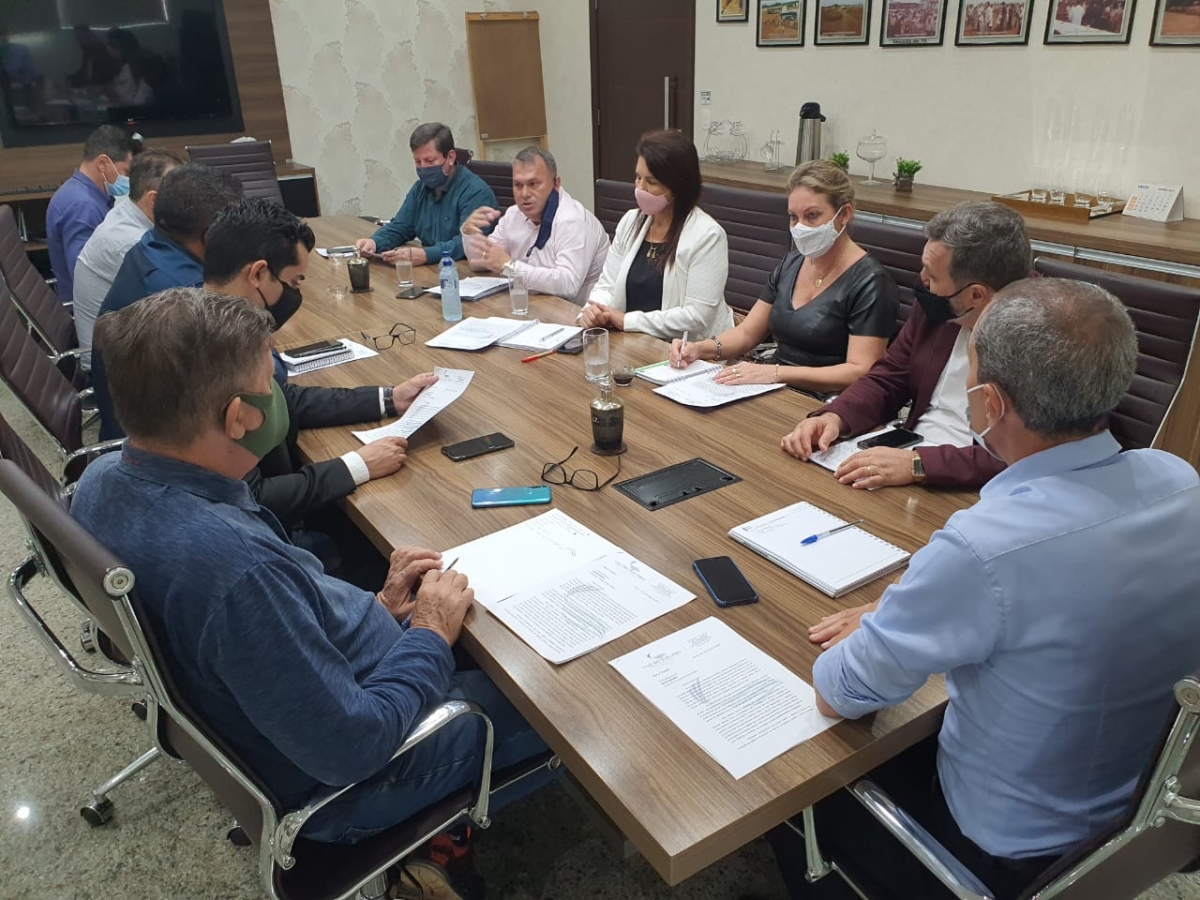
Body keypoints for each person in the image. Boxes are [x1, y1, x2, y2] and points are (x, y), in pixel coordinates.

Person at [73, 288, 549, 895]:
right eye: (269, 385)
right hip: (344, 787)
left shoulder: (101, 480)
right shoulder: (234, 570)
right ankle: (432, 840)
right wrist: (430, 632)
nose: (280, 396)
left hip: (297, 700)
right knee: (560, 705)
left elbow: (271, 634)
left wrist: (380, 609)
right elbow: (354, 748)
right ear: (237, 417)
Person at [768, 278, 1200, 900]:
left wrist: (892, 615)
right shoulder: (1180, 480)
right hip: (1134, 819)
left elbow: (841, 693)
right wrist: (914, 605)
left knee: (790, 787)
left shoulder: (983, 549)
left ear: (990, 404)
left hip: (1002, 851)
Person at [201, 198, 438, 540]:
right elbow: (248, 499)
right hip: (275, 537)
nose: (297, 294)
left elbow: (283, 400)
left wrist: (389, 398)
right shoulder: (209, 357)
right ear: (258, 274)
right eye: (294, 282)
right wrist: (356, 466)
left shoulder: (218, 325)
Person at [781, 200, 1031, 490]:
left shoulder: (1044, 335)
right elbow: (890, 375)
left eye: (932, 276)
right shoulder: (939, 306)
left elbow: (1024, 455)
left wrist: (919, 465)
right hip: (908, 452)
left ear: (976, 295)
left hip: (975, 485)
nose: (922, 280)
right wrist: (836, 416)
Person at [668, 160, 897, 394]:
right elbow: (747, 333)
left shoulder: (871, 282)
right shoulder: (792, 262)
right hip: (772, 386)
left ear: (845, 214)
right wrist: (699, 349)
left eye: (812, 216)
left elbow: (860, 371)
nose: (800, 227)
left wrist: (776, 373)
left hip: (825, 400)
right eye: (793, 217)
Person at [91, 163, 243, 440]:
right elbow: (257, 380)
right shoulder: (185, 294)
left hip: (138, 422)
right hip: (160, 445)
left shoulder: (149, 246)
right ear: (212, 236)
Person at [581, 130, 733, 342]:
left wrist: (627, 321)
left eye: (651, 182)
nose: (640, 188)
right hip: (633, 341)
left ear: (678, 185)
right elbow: (608, 284)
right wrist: (594, 310)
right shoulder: (631, 221)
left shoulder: (707, 236)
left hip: (689, 350)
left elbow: (697, 317)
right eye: (638, 177)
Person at [73, 149, 182, 368]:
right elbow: (178, 304)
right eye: (181, 194)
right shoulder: (128, 242)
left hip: (127, 340)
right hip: (110, 366)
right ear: (154, 199)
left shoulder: (128, 210)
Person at [461, 146, 609, 306]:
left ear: (556, 183)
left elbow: (568, 285)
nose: (525, 193)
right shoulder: (513, 215)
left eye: (533, 184)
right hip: (533, 303)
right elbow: (480, 263)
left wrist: (509, 267)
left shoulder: (572, 220)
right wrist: (469, 234)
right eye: (518, 185)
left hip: (578, 311)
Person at [355, 123, 496, 265]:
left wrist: (425, 255)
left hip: (464, 270)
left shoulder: (476, 192)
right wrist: (374, 242)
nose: (423, 168)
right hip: (430, 270)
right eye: (418, 162)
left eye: (430, 161)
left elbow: (466, 244)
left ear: (450, 157)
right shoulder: (420, 188)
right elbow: (401, 227)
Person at [45, 124, 139, 307]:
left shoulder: (79, 192)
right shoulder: (82, 207)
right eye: (126, 172)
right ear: (102, 163)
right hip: (92, 311)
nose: (128, 179)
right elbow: (86, 278)